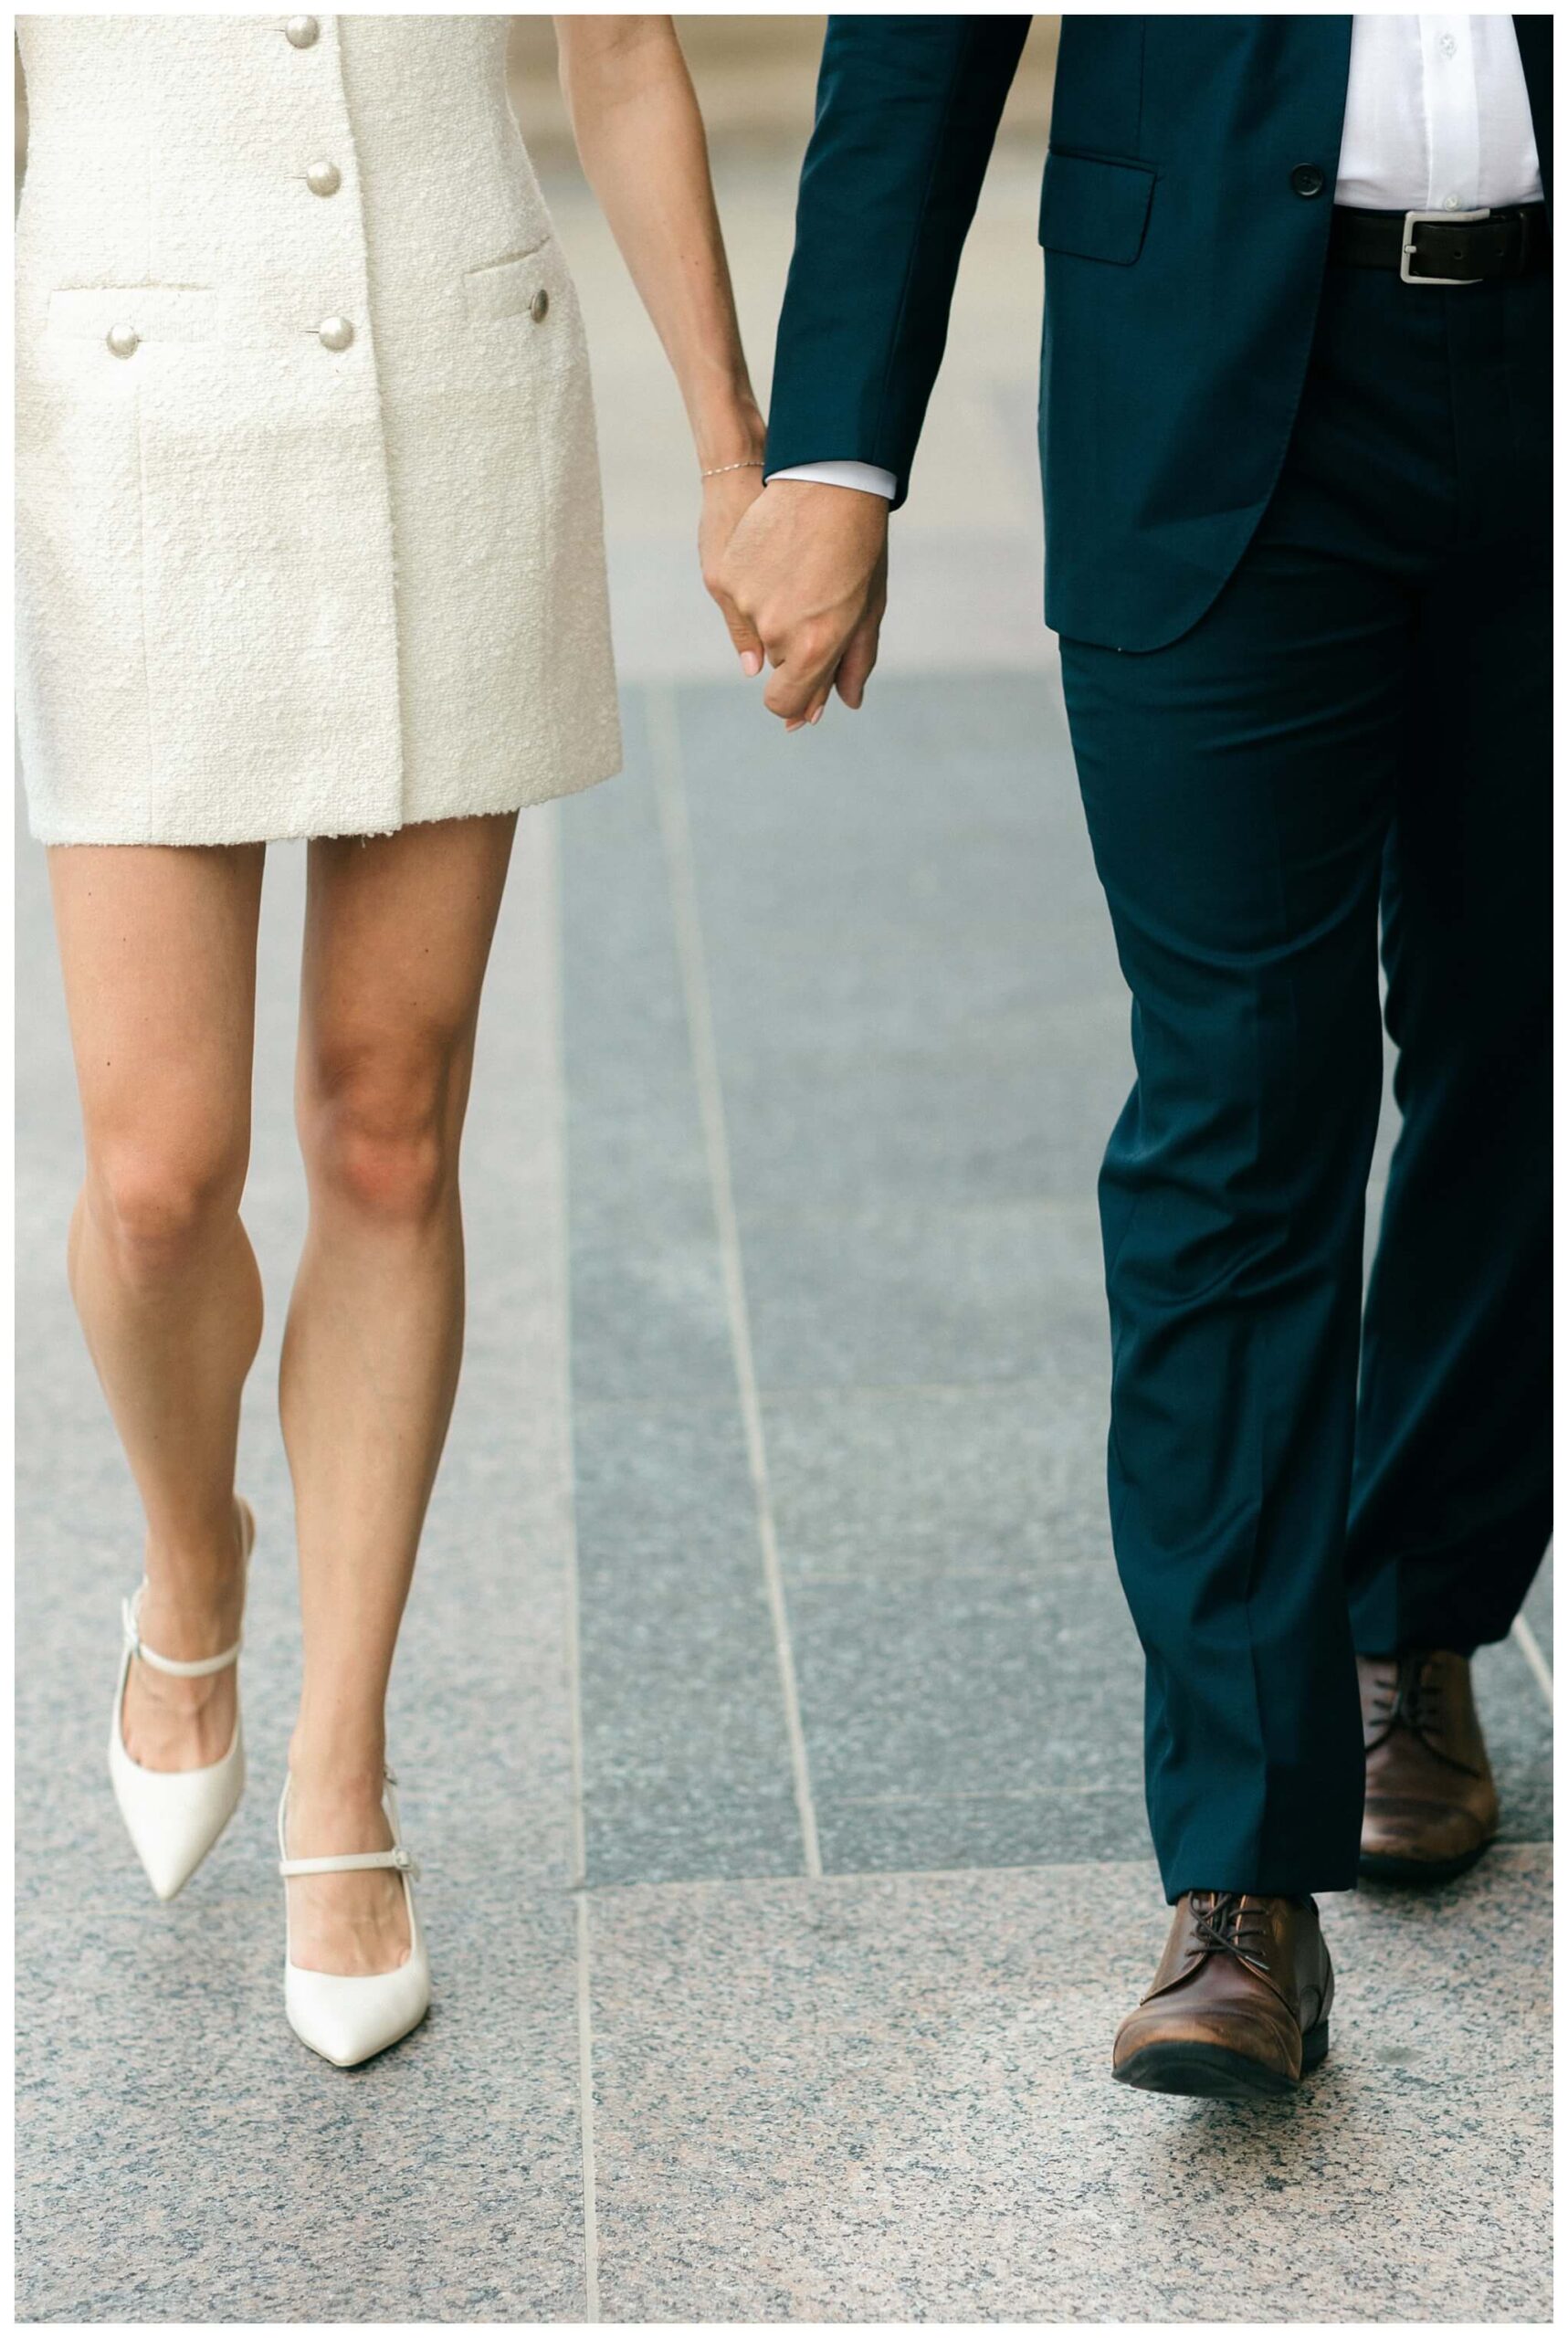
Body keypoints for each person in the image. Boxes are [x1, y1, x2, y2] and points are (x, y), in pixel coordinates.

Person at [719, 14, 1551, 2101]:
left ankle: (1415, 1621)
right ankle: (1237, 1880)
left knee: (1517, 1034)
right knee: (1237, 1102)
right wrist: (832, 446)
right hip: (1205, 364)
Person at [15, 11, 764, 2069]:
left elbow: (614, 45)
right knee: (159, 1175)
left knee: (385, 1130)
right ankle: (194, 1557)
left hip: (450, 402)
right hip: (130, 424)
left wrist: (730, 456)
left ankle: (340, 1765)